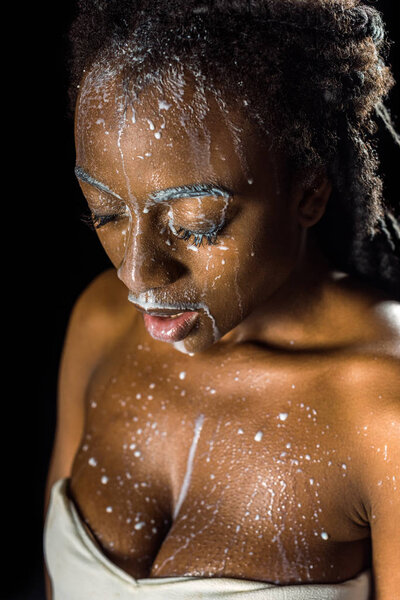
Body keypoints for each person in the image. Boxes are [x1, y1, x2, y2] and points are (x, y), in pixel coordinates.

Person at [44, 1, 400, 598]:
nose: (137, 276)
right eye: (105, 213)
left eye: (195, 222)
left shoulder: (383, 415)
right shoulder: (99, 321)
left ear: (308, 193)